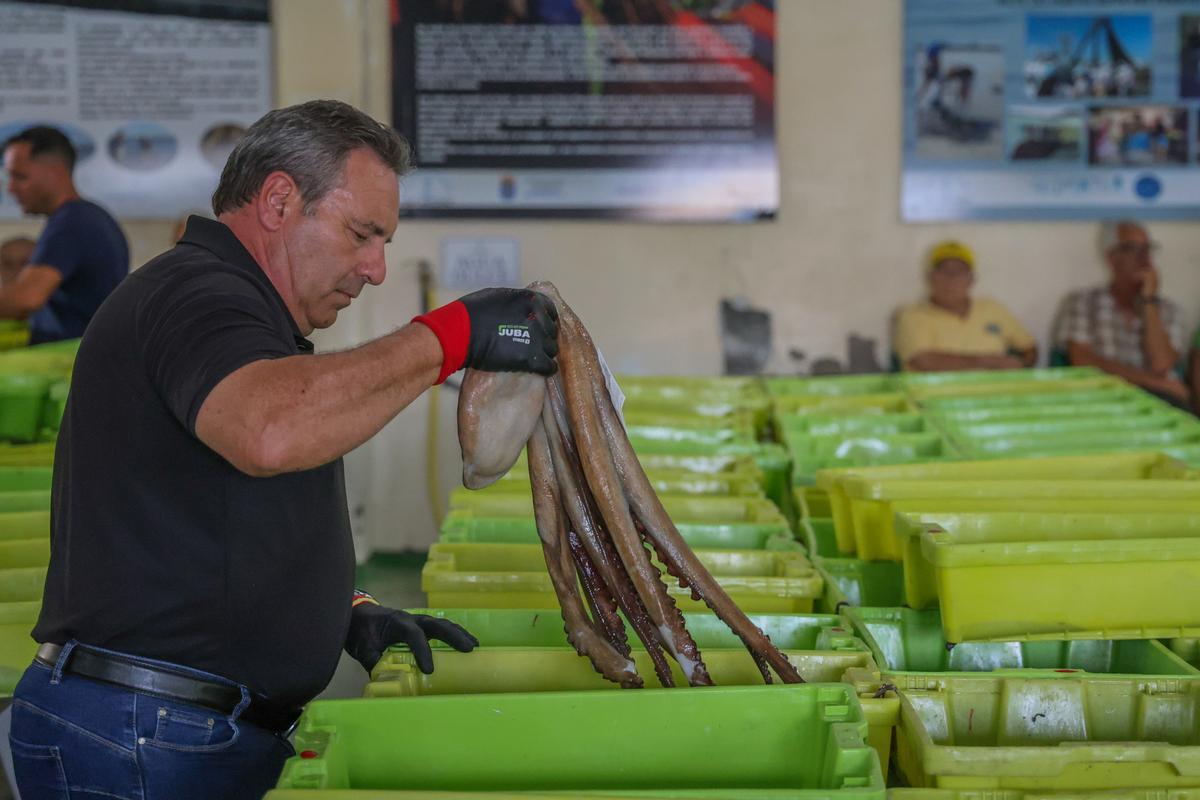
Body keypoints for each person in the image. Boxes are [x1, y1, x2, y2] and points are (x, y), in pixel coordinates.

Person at [8, 100, 560, 799]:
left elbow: (220, 516)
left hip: (178, 729)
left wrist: (343, 608)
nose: (376, 268)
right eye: (362, 234)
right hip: (142, 738)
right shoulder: (196, 295)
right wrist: (450, 336)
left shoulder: (243, 319)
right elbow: (269, 431)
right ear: (277, 200)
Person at [2, 126, 129, 343]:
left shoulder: (72, 223)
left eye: (19, 177)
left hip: (72, 361)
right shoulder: (90, 216)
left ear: (56, 172)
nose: (11, 188)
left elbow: (26, 299)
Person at [1053, 220, 1188, 407]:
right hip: (1102, 397)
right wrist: (1151, 382)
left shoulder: (1169, 310)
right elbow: (1082, 360)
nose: (1144, 258)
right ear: (1111, 257)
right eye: (1132, 249)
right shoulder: (1082, 302)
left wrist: (1149, 302)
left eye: (1147, 248)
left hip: (1159, 401)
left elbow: (1161, 365)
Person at [893, 240, 1038, 372]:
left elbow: (1029, 348)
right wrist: (988, 361)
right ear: (931, 277)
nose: (951, 279)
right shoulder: (911, 315)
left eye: (959, 272)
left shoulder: (992, 308)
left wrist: (1021, 365)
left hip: (995, 394)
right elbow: (925, 361)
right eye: (944, 270)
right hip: (935, 397)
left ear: (971, 280)